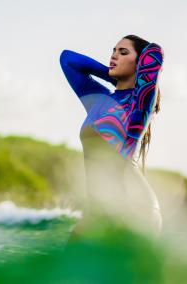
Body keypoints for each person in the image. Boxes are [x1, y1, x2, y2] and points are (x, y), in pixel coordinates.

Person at [59, 35, 164, 239]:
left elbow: (155, 54)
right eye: (113, 51)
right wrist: (112, 75)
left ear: (140, 63)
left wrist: (136, 74)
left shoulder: (139, 103)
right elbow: (67, 59)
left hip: (134, 208)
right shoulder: (99, 99)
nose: (114, 56)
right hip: (99, 212)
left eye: (123, 52)